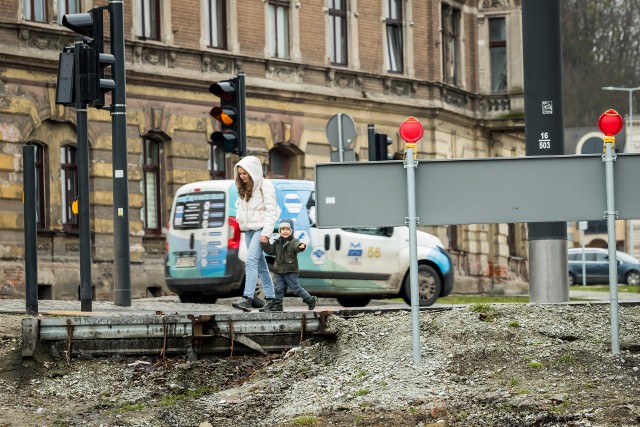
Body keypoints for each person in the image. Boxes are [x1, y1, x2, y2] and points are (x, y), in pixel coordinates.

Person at [231, 156, 279, 312]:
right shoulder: (242, 188)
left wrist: (266, 233)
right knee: (260, 265)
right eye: (240, 174)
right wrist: (239, 219)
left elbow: (272, 211)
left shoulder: (265, 186)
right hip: (248, 230)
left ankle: (247, 298)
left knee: (250, 261)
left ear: (253, 172)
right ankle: (271, 299)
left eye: (245, 173)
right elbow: (239, 207)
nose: (243, 176)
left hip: (260, 229)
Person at [260, 220, 318, 312]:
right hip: (279, 270)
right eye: (283, 229)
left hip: (291, 270)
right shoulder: (277, 243)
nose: (285, 231)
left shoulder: (293, 241)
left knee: (295, 288)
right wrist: (265, 244)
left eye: (287, 229)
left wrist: (300, 246)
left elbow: (296, 246)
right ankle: (278, 305)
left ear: (291, 231)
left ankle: (310, 299)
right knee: (278, 288)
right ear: (279, 231)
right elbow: (271, 251)